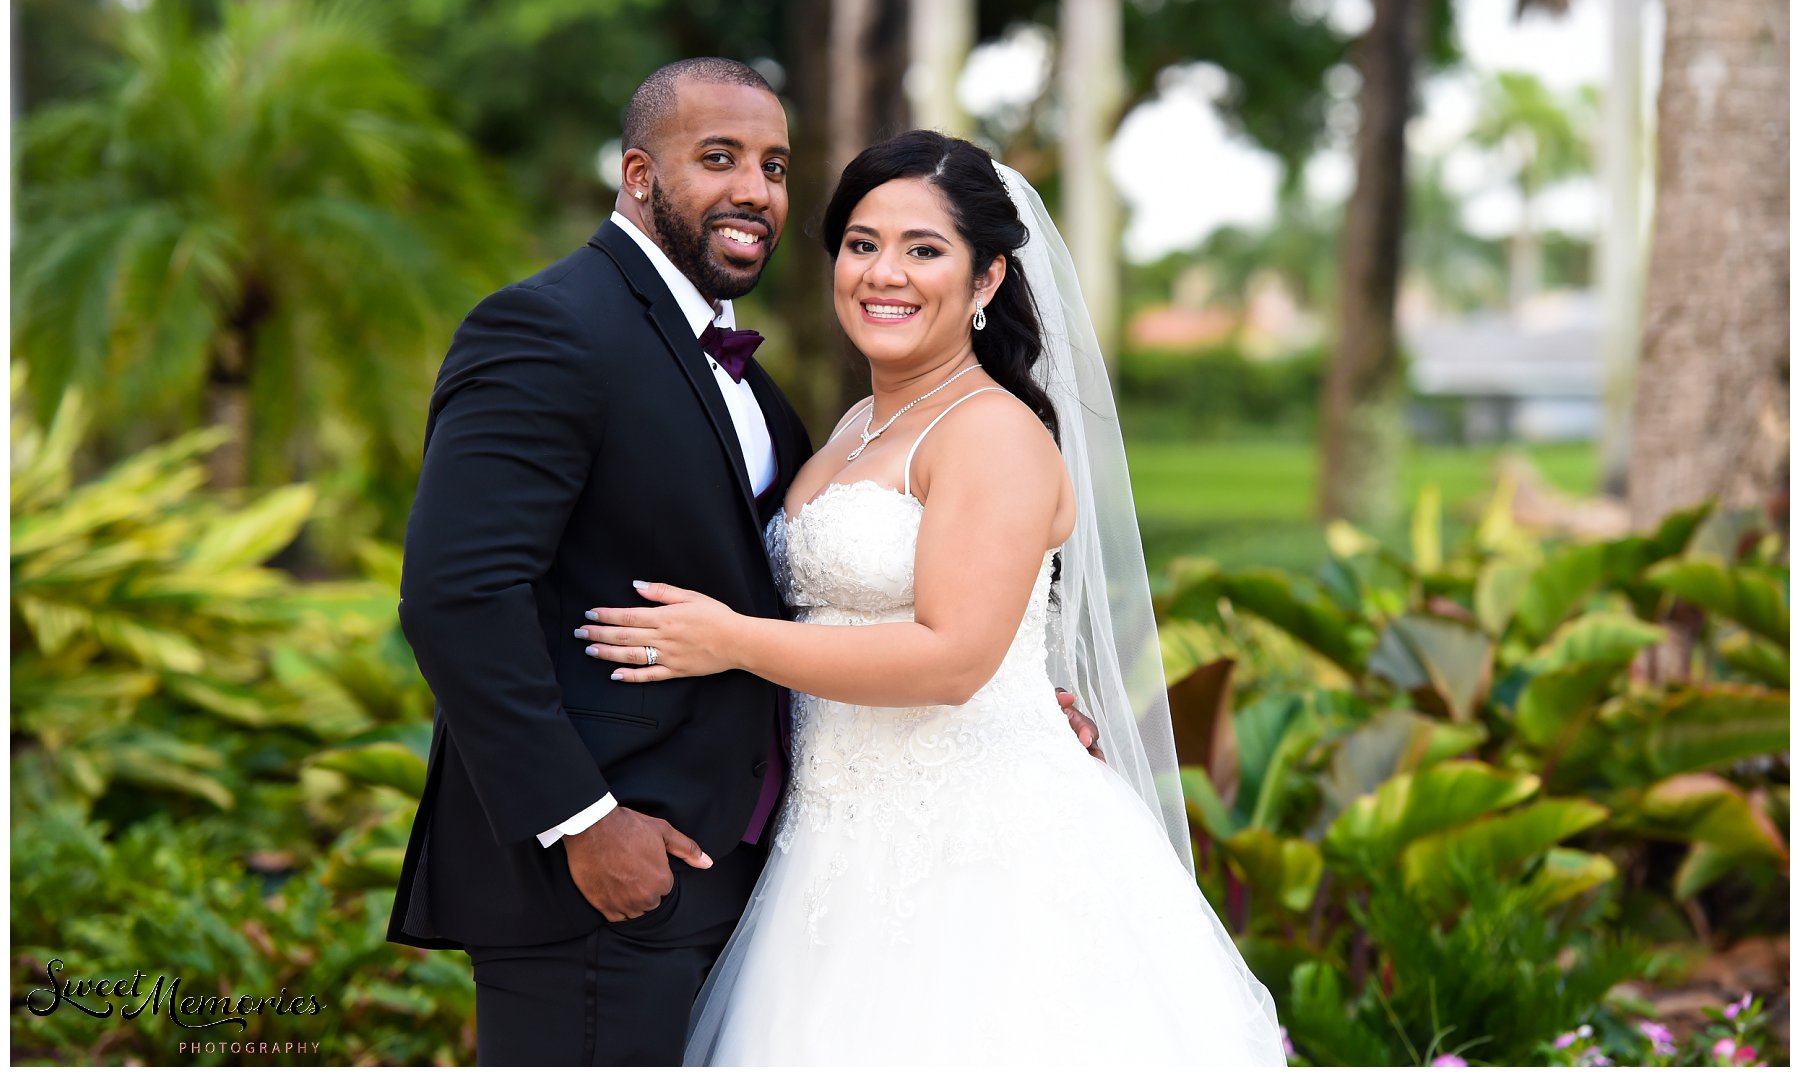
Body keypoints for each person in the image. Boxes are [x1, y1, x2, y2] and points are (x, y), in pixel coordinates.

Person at [388, 61, 1101, 1066]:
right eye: (717, 157)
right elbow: (457, 593)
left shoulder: (767, 395)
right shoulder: (549, 327)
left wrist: (1021, 691)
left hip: (782, 877)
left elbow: (873, 610)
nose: (755, 190)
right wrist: (581, 819)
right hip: (599, 876)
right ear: (639, 175)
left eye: (773, 165)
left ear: (986, 277)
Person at [579, 131, 1288, 1066]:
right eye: (863, 244)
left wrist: (732, 640)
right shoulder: (857, 424)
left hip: (977, 859)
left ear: (988, 278)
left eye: (925, 250)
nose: (886, 274)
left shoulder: (990, 432)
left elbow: (955, 658)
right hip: (830, 853)